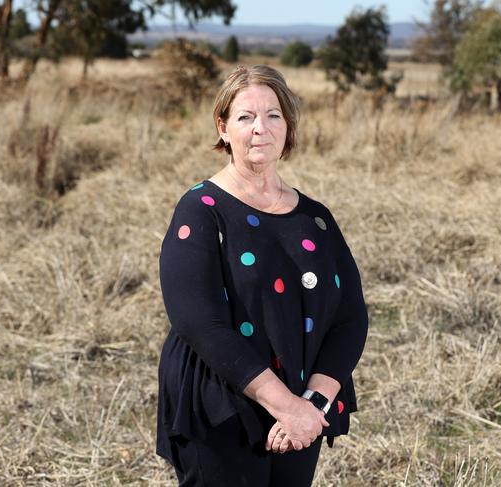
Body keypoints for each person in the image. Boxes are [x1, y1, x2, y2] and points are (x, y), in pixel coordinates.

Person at [156, 64, 368, 486]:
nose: (261, 129)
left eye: (273, 115)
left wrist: (311, 405)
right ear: (222, 127)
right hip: (222, 404)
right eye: (245, 117)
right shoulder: (201, 211)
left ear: (288, 125)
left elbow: (350, 318)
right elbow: (200, 322)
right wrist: (285, 406)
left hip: (304, 407)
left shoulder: (315, 218)